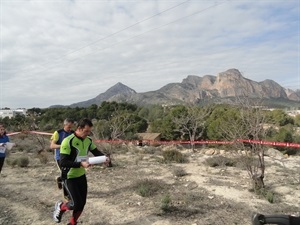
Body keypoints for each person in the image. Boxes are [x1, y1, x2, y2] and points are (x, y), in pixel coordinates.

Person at [52, 118, 111, 225]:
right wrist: (80, 164)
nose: (88, 133)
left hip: (81, 175)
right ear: (79, 129)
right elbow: (63, 162)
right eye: (86, 131)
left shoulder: (88, 140)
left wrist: (104, 158)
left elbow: (95, 151)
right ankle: (60, 207)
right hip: (69, 176)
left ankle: (72, 223)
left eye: (89, 131)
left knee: (82, 204)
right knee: (75, 204)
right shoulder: (68, 141)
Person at [50, 118, 75, 194]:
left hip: (70, 157)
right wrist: (63, 146)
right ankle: (67, 194)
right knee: (66, 175)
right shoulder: (58, 133)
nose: (70, 129)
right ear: (65, 125)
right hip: (60, 157)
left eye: (71, 127)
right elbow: (52, 146)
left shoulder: (73, 133)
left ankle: (60, 179)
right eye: (68, 127)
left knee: (70, 174)